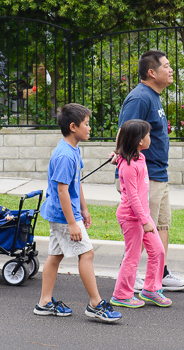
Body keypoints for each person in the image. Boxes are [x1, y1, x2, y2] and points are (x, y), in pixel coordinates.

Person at [34, 103, 122, 323]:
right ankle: (95, 304)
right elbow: (62, 191)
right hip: (64, 216)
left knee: (55, 256)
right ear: (73, 126)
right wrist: (73, 222)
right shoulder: (65, 155)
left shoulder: (73, 149)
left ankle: (44, 303)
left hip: (63, 213)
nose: (89, 128)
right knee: (87, 253)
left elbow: (75, 183)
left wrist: (83, 208)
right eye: (86, 124)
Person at [118, 50, 184, 291]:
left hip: (159, 173)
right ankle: (128, 276)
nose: (171, 70)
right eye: (167, 66)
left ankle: (160, 273)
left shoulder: (154, 96)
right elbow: (124, 134)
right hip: (143, 176)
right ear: (152, 72)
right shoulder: (140, 98)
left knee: (161, 225)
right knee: (141, 228)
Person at [111, 119, 171, 308]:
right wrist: (145, 221)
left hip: (142, 216)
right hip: (132, 217)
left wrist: (117, 155)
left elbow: (122, 153)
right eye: (148, 135)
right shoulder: (129, 167)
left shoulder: (138, 158)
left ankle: (151, 289)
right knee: (133, 255)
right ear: (139, 141)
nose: (150, 138)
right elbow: (133, 198)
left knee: (158, 250)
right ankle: (121, 294)